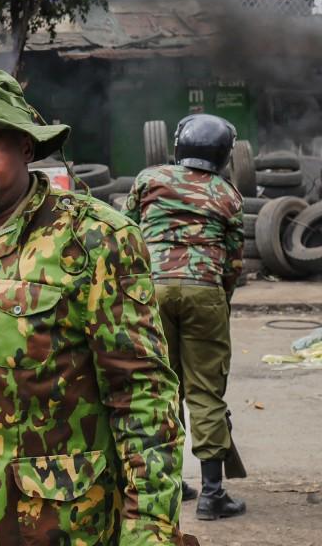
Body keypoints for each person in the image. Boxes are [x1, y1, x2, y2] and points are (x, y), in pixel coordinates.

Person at [0, 68, 186, 546]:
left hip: (54, 524)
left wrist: (149, 530)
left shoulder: (93, 239)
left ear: (25, 149)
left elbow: (143, 397)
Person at [125, 113, 246, 521]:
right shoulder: (228, 194)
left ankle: (169, 485)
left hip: (153, 289)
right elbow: (233, 261)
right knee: (205, 392)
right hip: (204, 292)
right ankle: (213, 495)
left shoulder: (148, 179)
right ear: (224, 153)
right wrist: (218, 299)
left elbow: (126, 231)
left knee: (162, 388)